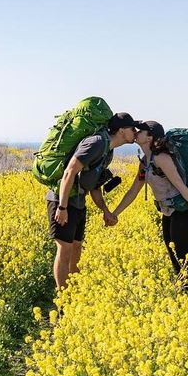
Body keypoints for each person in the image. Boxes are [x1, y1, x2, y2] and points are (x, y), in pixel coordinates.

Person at [47, 112, 140, 289]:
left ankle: (73, 292)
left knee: (76, 248)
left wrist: (105, 210)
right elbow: (69, 172)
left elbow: (94, 185)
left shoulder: (108, 150)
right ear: (121, 131)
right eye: (132, 128)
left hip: (79, 201)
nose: (135, 132)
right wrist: (62, 206)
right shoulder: (96, 143)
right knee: (64, 249)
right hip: (63, 200)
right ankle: (62, 301)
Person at [113, 121, 188, 276]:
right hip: (168, 212)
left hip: (183, 211)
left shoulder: (161, 158)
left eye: (141, 130)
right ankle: (183, 291)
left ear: (150, 137)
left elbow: (180, 184)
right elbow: (133, 191)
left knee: (182, 257)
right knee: (173, 256)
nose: (136, 132)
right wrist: (115, 213)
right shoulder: (145, 162)